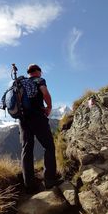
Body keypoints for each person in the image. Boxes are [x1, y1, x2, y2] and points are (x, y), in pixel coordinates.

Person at [19, 64, 62, 193]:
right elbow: (45, 93)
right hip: (37, 117)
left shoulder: (20, 83)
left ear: (28, 72)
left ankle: (29, 185)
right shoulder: (39, 80)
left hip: (22, 120)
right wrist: (48, 107)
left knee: (27, 149)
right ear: (38, 72)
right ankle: (49, 180)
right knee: (48, 146)